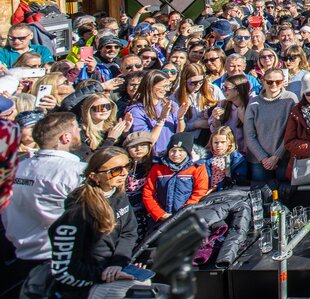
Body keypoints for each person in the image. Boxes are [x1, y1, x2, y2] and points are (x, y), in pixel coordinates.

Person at [3, 113, 86, 294]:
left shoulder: (18, 167)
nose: (79, 130)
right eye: (76, 128)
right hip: (56, 263)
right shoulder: (77, 173)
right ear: (65, 137)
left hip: (15, 257)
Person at [47, 147, 141, 299]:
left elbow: (129, 231)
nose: (124, 173)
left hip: (112, 271)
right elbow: (65, 270)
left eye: (127, 166)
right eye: (116, 170)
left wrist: (118, 262)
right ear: (95, 176)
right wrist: (105, 275)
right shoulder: (78, 211)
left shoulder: (118, 194)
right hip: (84, 286)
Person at [245, 68, 299, 183]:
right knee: (262, 196)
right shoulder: (254, 102)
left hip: (284, 157)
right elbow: (249, 134)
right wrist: (263, 158)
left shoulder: (290, 99)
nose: (273, 84)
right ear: (263, 81)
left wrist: (277, 156)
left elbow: (292, 131)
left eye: (278, 81)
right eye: (269, 81)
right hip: (259, 160)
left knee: (285, 196)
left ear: (283, 81)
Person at [141, 131, 208, 223]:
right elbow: (148, 193)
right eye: (173, 150)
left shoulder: (197, 167)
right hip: (161, 217)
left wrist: (184, 212)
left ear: (188, 152)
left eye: (181, 151)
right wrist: (160, 214)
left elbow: (200, 191)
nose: (176, 154)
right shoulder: (158, 167)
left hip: (185, 216)